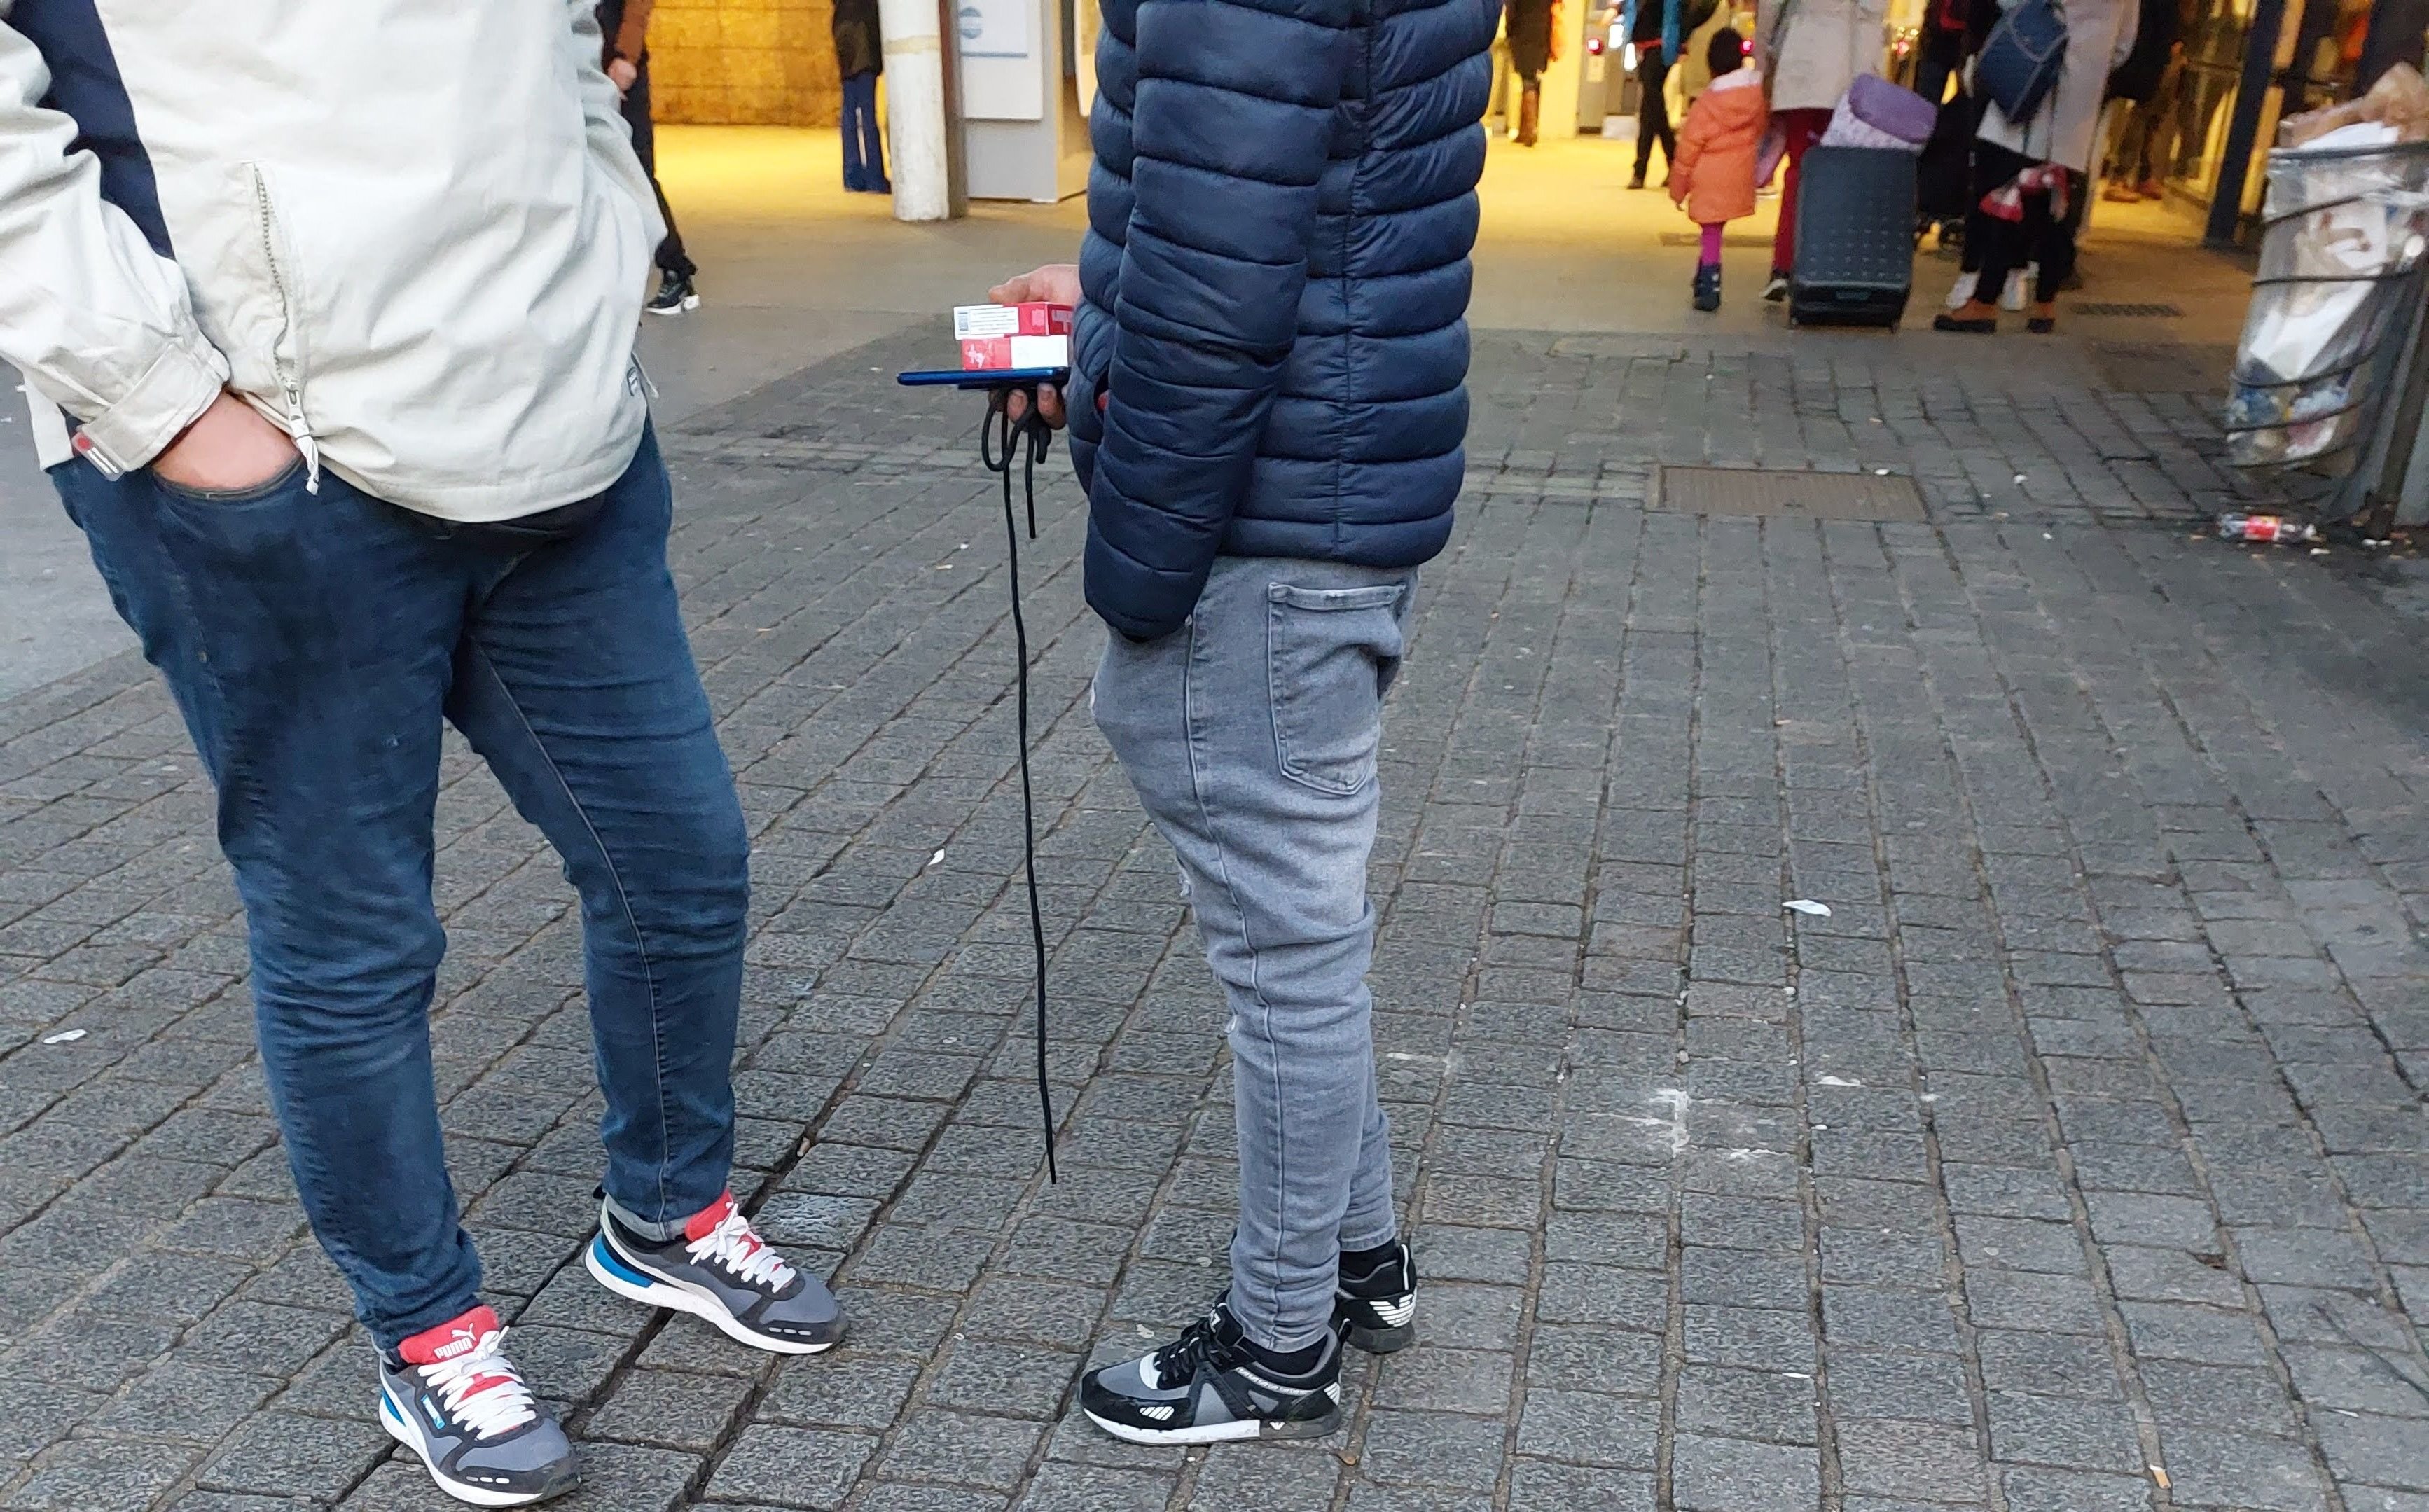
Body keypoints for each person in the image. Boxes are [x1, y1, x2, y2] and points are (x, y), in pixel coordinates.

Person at [2, 7, 837, 1505]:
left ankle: (664, 1209)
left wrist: (607, 257)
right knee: (354, 937)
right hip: (271, 452)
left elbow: (559, 39)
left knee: (679, 857)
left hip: (556, 432)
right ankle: (429, 1323)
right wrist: (167, 405)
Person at [990, 0, 1494, 1445]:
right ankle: (1361, 1264)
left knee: (1287, 960)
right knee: (1309, 932)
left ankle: (1279, 1346)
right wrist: (1102, 306)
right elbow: (1283, 215)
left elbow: (1217, 300)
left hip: (1261, 517)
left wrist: (1137, 567)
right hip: (1340, 489)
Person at [1937, 0, 2139, 333]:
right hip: (2082, 92)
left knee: (2009, 194)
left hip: (2033, 76)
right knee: (2056, 202)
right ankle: (2045, 303)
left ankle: (1985, 301)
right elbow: (2123, 46)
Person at [1758, 0, 1890, 299]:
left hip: (1805, 66)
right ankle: (1831, 268)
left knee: (1799, 173)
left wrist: (1762, 63)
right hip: (1855, 77)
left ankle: (1783, 265)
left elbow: (1770, 6)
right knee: (1847, 177)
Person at [599, 0, 702, 315]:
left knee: (637, 175)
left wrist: (626, 56)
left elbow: (638, 7)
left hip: (616, 68)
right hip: (585, 67)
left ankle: (676, 269)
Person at [1670, 27, 1768, 310]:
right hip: (1739, 174)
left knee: (1711, 232)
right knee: (1715, 230)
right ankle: (1702, 276)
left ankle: (1710, 286)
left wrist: (1678, 188)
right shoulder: (1756, 96)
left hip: (1709, 176)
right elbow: (1762, 129)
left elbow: (1688, 150)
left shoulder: (1707, 104)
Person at [833, 0, 891, 193]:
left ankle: (851, 175)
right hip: (864, 33)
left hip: (843, 30)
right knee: (867, 111)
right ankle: (875, 177)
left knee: (849, 107)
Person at [1624, 0, 1684, 186]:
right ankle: (1674, 162)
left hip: (1661, 47)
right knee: (1654, 109)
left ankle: (1640, 171)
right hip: (1642, 47)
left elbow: (1674, 14)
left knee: (1649, 106)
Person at [1507, 0, 1557, 145]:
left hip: (1523, 35)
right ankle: (1526, 129)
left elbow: (1512, 11)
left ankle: (1530, 129)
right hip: (1542, 34)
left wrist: (1509, 31)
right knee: (1533, 80)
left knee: (1527, 80)